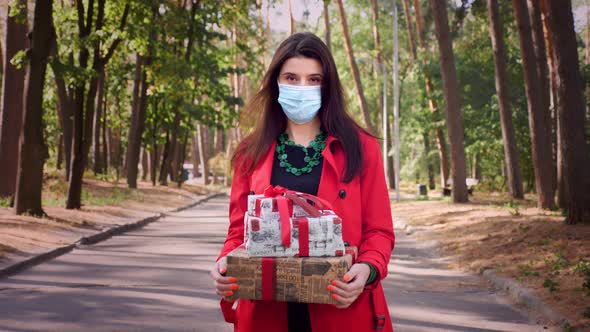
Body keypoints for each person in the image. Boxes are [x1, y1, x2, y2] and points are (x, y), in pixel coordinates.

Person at [210, 32, 395, 332]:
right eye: (292, 78)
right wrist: (223, 265)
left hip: (342, 311)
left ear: (327, 85)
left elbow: (379, 232)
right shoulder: (249, 152)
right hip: (266, 314)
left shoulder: (361, 148)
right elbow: (237, 233)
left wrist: (367, 270)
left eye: (314, 79)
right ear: (276, 84)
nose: (302, 88)